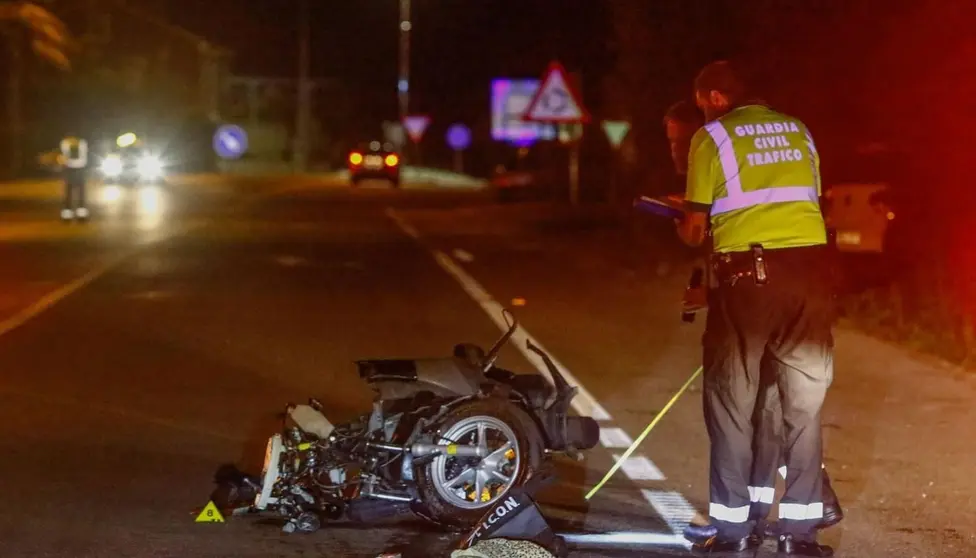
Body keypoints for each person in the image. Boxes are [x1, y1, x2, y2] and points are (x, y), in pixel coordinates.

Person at [665, 100, 845, 545]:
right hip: (808, 278)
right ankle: (801, 528)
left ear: (711, 98)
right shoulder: (798, 130)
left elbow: (696, 232)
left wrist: (682, 216)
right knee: (799, 405)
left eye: (673, 140)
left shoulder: (711, 140)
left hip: (749, 280)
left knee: (731, 404)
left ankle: (732, 529)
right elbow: (797, 213)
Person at [58, 133, 90, 221]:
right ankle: (68, 213)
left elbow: (83, 160)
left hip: (78, 169)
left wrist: (68, 162)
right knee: (69, 191)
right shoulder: (65, 143)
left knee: (80, 191)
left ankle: (81, 212)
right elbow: (63, 157)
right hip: (71, 170)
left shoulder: (82, 143)